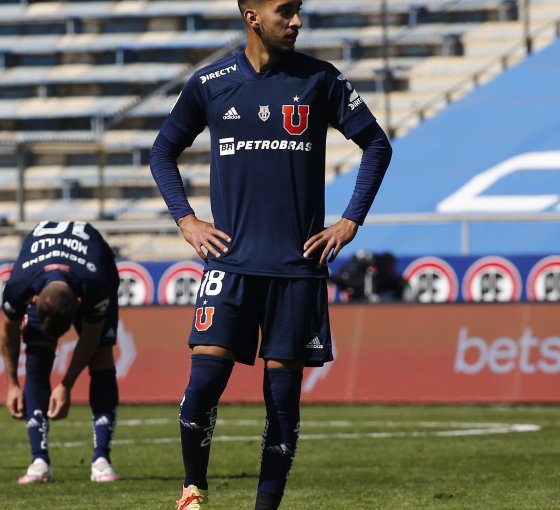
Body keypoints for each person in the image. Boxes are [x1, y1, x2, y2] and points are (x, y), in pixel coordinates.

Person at [149, 0, 393, 508]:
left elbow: (377, 145)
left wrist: (350, 221)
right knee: (202, 388)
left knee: (282, 404)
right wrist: (186, 220)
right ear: (252, 16)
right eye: (286, 11)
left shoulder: (321, 80)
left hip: (296, 273)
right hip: (231, 267)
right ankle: (194, 489)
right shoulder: (211, 83)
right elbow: (162, 150)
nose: (297, 21)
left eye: (299, 10)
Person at [0, 220, 121, 484]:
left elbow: (90, 336)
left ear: (79, 305)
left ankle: (101, 460)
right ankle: (39, 461)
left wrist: (66, 384)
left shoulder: (95, 286)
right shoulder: (20, 284)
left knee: (101, 354)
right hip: (44, 270)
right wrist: (11, 383)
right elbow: (7, 331)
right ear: (34, 300)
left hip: (97, 266)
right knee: (37, 357)